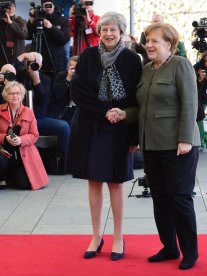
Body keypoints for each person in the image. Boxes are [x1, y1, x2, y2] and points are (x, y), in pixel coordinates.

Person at [109, 22, 201, 270]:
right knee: (160, 200)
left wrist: (185, 139)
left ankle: (190, 252)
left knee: (179, 198)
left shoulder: (180, 65)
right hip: (151, 145)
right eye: (147, 40)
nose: (148, 45)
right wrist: (125, 114)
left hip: (177, 145)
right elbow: (143, 107)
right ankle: (170, 248)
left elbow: (190, 104)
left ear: (169, 44)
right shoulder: (147, 69)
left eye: (154, 41)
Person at [65, 12, 142, 261]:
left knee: (116, 182)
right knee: (94, 181)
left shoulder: (132, 60)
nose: (108, 34)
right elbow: (78, 90)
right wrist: (104, 111)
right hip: (91, 124)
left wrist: (134, 134)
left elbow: (134, 99)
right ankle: (96, 235)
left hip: (120, 127)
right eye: (105, 29)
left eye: (113, 30)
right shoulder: (87, 56)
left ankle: (118, 236)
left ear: (121, 32)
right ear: (99, 32)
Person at [0, 81, 49, 190]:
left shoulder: (28, 112)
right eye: (11, 93)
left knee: (24, 185)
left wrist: (21, 140)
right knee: (2, 159)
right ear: (6, 95)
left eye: (17, 93)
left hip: (23, 151)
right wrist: (5, 138)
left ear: (22, 96)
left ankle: (11, 175)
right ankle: (1, 178)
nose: (15, 96)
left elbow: (35, 135)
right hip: (4, 149)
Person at [14, 52, 70, 160]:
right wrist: (22, 56)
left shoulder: (45, 79)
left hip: (38, 119)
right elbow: (10, 70)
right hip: (19, 119)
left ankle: (65, 162)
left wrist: (37, 81)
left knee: (64, 126)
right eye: (31, 63)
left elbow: (44, 99)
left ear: (41, 66)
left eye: (36, 64)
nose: (33, 66)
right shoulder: (20, 76)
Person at [27, 0, 70, 77]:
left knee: (55, 85)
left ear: (54, 6)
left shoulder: (62, 20)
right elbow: (28, 36)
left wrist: (51, 27)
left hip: (56, 60)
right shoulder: (38, 19)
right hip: (39, 59)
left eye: (50, 6)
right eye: (45, 6)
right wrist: (31, 19)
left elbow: (64, 39)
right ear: (42, 7)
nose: (48, 8)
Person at [0, 0, 28, 73]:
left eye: (13, 7)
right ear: (3, 9)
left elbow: (24, 35)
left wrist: (11, 23)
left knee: (18, 83)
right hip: (2, 60)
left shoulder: (20, 20)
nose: (11, 9)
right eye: (8, 7)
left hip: (18, 60)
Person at [48, 55, 78, 124]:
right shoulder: (61, 76)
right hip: (62, 112)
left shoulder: (84, 78)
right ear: (68, 67)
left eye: (77, 68)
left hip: (77, 111)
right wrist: (68, 79)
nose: (74, 71)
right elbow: (58, 95)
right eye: (72, 68)